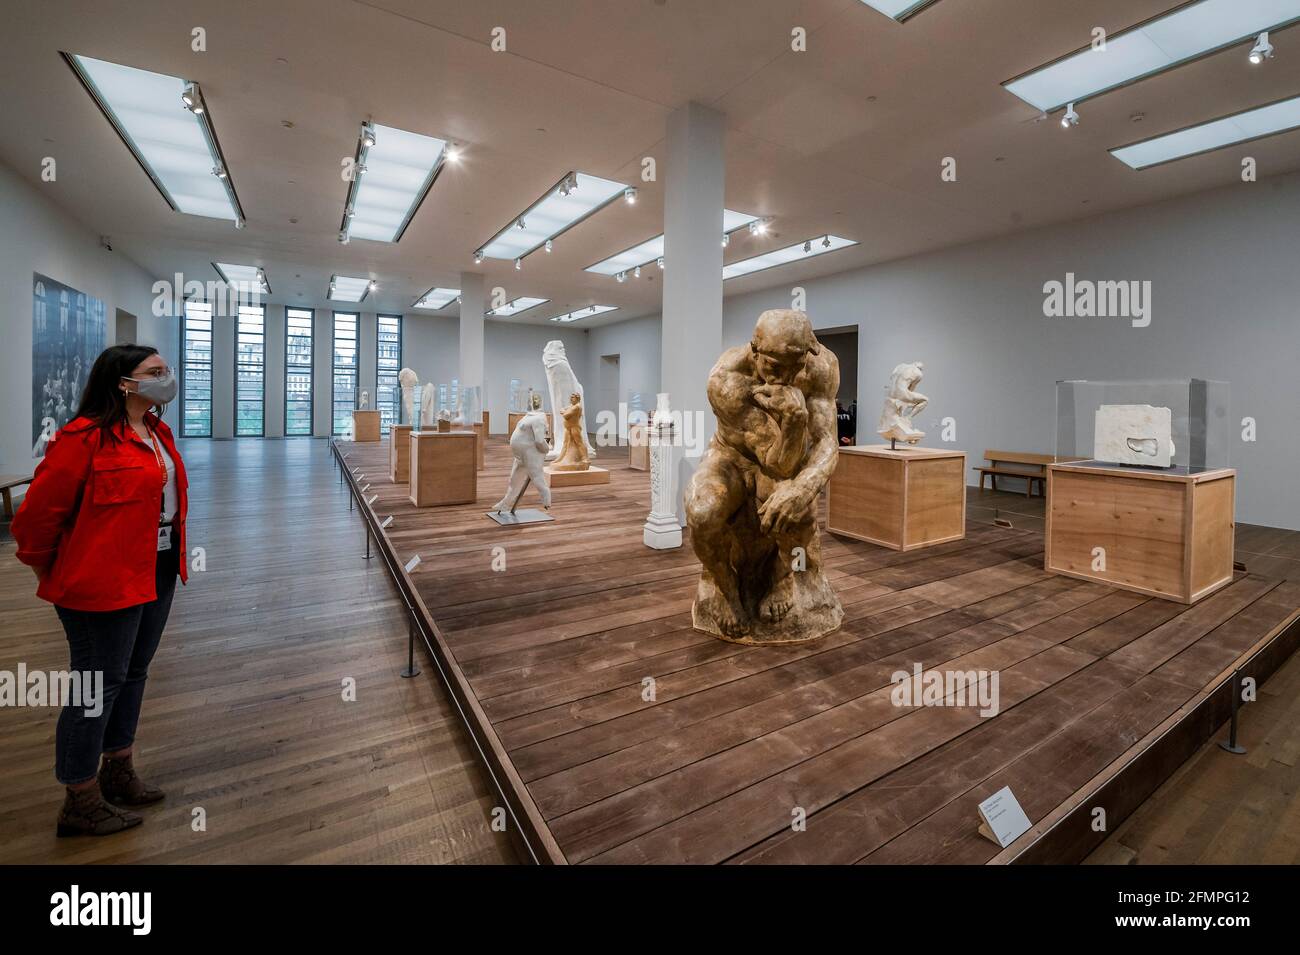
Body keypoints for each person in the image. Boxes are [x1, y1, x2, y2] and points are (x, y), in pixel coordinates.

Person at [12, 344, 188, 837]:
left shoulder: (156, 431)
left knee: (134, 672)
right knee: (96, 685)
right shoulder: (82, 438)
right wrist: (54, 572)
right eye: (155, 372)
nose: (165, 378)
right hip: (101, 581)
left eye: (165, 371)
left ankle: (118, 768)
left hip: (156, 567)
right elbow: (36, 519)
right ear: (123, 382)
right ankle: (80, 797)